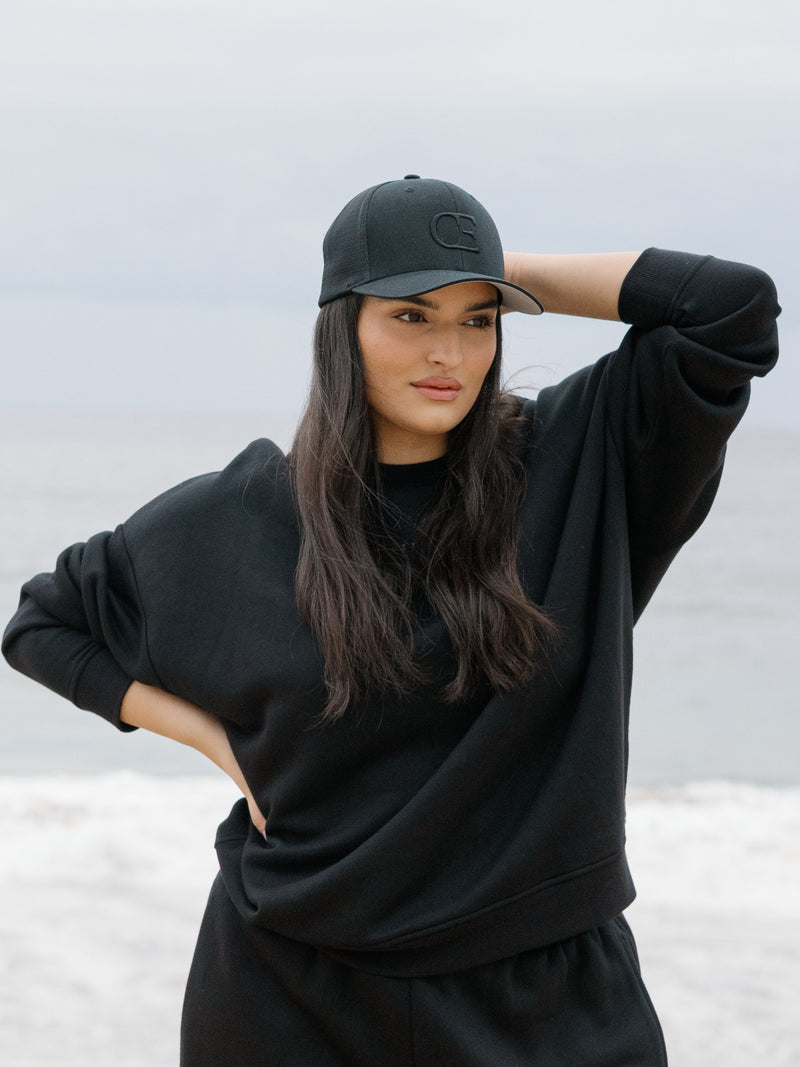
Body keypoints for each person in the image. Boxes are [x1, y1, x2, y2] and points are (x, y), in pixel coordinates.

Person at [2, 175, 780, 1065]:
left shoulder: (580, 460)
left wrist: (486, 266)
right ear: (343, 324)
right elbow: (43, 626)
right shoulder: (235, 518)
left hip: (547, 1007)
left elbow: (730, 309)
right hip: (290, 995)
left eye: (478, 319)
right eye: (411, 314)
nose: (449, 350)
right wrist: (216, 741)